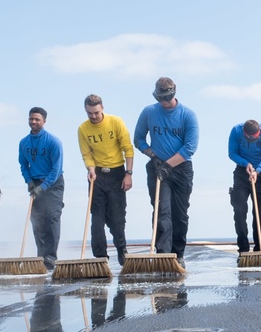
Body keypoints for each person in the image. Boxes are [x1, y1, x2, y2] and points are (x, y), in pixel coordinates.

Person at [133, 77, 199, 268]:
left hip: (181, 169)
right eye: (160, 97)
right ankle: (163, 255)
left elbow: (190, 148)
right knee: (162, 212)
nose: (163, 101)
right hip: (156, 167)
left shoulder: (188, 115)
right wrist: (153, 156)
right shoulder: (149, 112)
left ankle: (178, 254)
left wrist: (168, 165)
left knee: (180, 214)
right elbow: (138, 139)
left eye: (166, 97)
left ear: (173, 93)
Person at [78, 95, 134, 264]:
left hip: (117, 173)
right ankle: (100, 257)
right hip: (97, 176)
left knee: (117, 218)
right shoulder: (83, 129)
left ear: (102, 107)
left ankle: (121, 249)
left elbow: (128, 149)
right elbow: (86, 154)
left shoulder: (116, 122)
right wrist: (91, 168)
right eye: (89, 113)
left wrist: (128, 174)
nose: (93, 116)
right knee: (96, 220)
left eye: (95, 112)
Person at [19, 107, 65, 270]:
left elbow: (57, 168)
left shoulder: (53, 142)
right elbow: (23, 164)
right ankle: (41, 256)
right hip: (35, 182)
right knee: (37, 220)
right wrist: (30, 182)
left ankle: (51, 257)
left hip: (53, 183)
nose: (33, 122)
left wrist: (44, 187)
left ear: (44, 121)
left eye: (37, 119)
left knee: (52, 217)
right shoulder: (24, 142)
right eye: (31, 119)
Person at [228, 120, 261, 254]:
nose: (252, 140)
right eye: (249, 138)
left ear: (259, 132)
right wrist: (246, 163)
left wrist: (257, 170)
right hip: (242, 172)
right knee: (239, 210)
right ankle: (243, 249)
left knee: (260, 214)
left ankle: (260, 248)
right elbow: (232, 153)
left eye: (255, 137)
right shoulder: (236, 131)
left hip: (260, 174)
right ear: (244, 134)